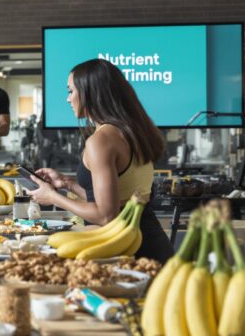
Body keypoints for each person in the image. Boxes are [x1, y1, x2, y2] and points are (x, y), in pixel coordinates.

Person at [26, 58, 174, 262]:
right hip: (151, 243)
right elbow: (118, 199)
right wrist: (67, 184)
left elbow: (106, 215)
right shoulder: (133, 130)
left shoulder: (101, 141)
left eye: (70, 91)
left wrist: (53, 197)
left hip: (127, 252)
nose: (68, 99)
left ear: (89, 93)